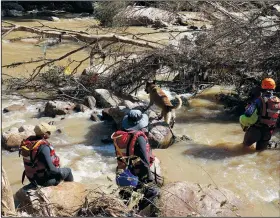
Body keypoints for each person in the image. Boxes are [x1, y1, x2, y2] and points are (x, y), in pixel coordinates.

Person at [111, 109, 163, 212]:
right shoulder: (139, 138)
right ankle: (135, 211)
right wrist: (149, 179)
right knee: (154, 191)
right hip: (136, 174)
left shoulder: (119, 135)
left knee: (125, 197)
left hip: (122, 171)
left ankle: (122, 210)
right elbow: (144, 161)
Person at [19, 122, 74, 187]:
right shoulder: (43, 148)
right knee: (68, 171)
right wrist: (61, 171)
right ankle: (72, 189)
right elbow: (52, 170)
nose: (50, 132)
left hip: (32, 178)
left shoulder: (30, 143)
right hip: (44, 181)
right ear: (44, 135)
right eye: (48, 131)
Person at [240, 78, 280, 150]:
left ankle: (245, 129)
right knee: (260, 152)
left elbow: (248, 114)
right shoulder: (278, 101)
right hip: (268, 132)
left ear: (262, 86)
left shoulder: (259, 100)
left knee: (243, 149)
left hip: (255, 131)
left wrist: (247, 107)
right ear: (274, 87)